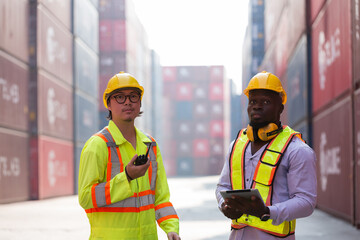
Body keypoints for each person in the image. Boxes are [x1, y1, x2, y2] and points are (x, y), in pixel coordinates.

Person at [78, 72, 180, 240]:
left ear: (139, 103)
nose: (127, 102)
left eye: (133, 96)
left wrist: (171, 228)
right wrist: (127, 177)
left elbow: (161, 198)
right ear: (108, 104)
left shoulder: (150, 145)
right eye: (119, 97)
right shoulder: (98, 145)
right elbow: (86, 197)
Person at [215, 71, 317, 239]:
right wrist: (223, 204)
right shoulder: (236, 146)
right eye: (253, 101)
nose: (257, 106)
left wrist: (267, 212)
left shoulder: (297, 150)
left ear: (280, 108)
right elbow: (222, 187)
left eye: (266, 101)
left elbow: (306, 202)